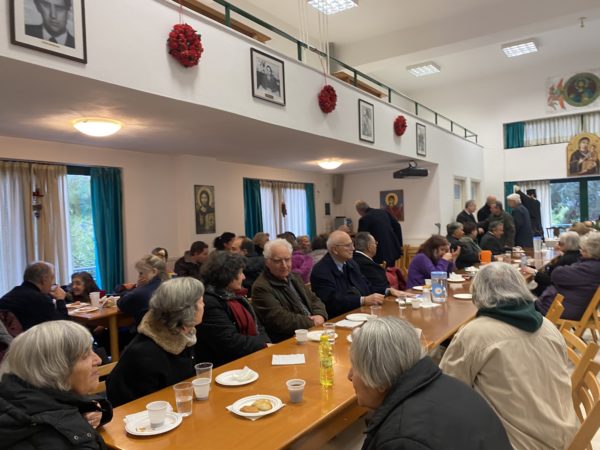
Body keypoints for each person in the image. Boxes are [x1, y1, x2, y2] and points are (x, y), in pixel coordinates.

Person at [440, 263, 578, 449]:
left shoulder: (474, 333)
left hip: (516, 444)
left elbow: (448, 388)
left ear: (478, 293)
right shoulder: (548, 326)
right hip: (564, 436)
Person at [349, 317, 512, 450]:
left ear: (379, 378)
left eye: (355, 367)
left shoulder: (401, 439)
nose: (349, 376)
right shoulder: (450, 386)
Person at [0, 321, 113, 449]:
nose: (98, 360)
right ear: (54, 368)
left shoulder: (20, 395)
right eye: (85, 355)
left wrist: (90, 408)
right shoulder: (52, 439)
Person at [107, 277, 204, 407]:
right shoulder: (146, 353)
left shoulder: (184, 336)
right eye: (201, 302)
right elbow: (141, 406)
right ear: (188, 310)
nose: (204, 305)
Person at [195, 252, 270, 367]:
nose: (244, 277)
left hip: (248, 355)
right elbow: (230, 341)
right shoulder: (209, 302)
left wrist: (266, 342)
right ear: (227, 275)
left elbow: (258, 326)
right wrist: (264, 344)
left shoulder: (235, 296)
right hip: (224, 366)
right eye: (240, 273)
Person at [251, 239, 328, 343]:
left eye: (287, 259)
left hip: (312, 331)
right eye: (278, 261)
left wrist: (320, 314)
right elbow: (281, 320)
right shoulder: (261, 287)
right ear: (267, 262)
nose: (284, 265)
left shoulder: (294, 277)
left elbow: (314, 299)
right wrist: (313, 322)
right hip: (289, 339)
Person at [310, 231, 384, 318]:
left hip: (359, 312)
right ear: (335, 250)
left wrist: (387, 290)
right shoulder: (321, 271)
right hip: (337, 318)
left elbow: (366, 285)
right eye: (348, 245)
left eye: (352, 244)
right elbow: (332, 301)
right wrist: (363, 300)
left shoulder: (351, 263)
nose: (353, 248)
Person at [535, 232, 600, 320]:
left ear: (590, 252)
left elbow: (556, 274)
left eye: (583, 250)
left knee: (522, 306)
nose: (581, 252)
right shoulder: (593, 266)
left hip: (560, 310)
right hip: (576, 306)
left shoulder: (589, 268)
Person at [0, 261, 67, 330]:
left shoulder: (12, 294)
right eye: (52, 279)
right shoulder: (40, 300)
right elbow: (61, 326)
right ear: (44, 279)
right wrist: (60, 300)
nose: (52, 283)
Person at [522, 231, 580, 296]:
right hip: (566, 289)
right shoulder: (578, 255)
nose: (557, 245)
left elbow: (550, 280)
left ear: (567, 244)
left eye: (560, 243)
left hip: (553, 292)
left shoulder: (565, 260)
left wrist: (534, 272)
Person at [117, 254, 168, 326]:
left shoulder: (138, 293)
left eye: (141, 273)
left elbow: (121, 304)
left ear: (154, 272)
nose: (139, 277)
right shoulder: (171, 288)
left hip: (146, 331)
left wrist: (138, 287)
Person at [355, 200, 403, 266]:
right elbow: (397, 226)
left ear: (359, 211)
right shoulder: (383, 212)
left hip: (378, 253)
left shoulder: (364, 219)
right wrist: (399, 244)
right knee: (390, 271)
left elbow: (361, 239)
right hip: (392, 250)